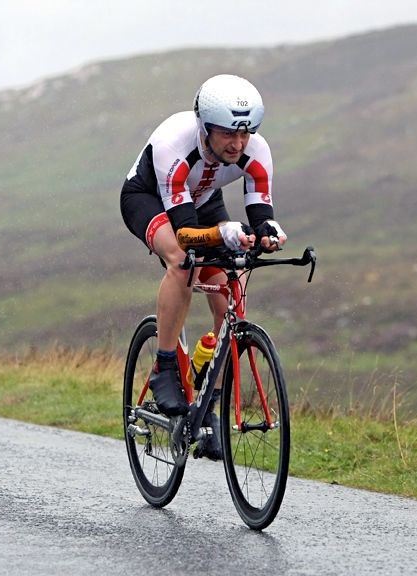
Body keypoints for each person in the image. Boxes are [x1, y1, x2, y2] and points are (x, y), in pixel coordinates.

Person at [120, 74, 287, 460]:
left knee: (234, 280)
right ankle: (164, 365)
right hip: (151, 200)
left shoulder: (257, 151)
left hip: (203, 202)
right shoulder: (173, 145)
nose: (238, 144)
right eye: (228, 134)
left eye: (246, 134)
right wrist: (224, 232)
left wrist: (268, 232)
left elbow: (260, 209)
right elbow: (186, 234)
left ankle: (207, 405)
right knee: (183, 262)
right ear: (205, 127)